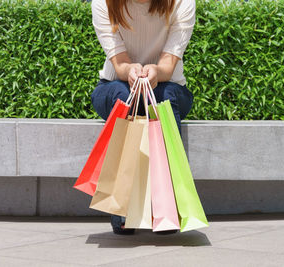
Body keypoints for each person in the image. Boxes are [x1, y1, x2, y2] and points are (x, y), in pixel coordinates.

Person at [90, 0, 196, 235]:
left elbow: (168, 66)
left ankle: (165, 210)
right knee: (125, 93)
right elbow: (119, 65)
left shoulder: (182, 3)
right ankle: (124, 211)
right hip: (114, 86)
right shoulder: (103, 3)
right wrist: (132, 71)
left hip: (169, 86)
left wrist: (155, 72)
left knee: (163, 98)